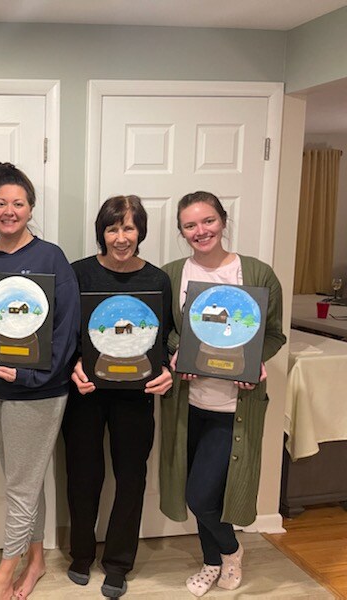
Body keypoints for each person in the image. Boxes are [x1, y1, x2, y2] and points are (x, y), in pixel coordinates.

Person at [0, 162, 80, 600]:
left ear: (31, 208)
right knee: (23, 478)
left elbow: (66, 330)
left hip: (38, 391)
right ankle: (37, 561)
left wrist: (29, 373)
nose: (9, 211)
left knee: (21, 486)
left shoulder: (51, 258)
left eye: (19, 203)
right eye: (1, 203)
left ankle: (4, 577)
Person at [161, 191, 286, 597]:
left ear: (223, 220)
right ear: (181, 231)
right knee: (201, 492)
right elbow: (164, 331)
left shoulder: (257, 274)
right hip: (188, 405)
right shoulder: (172, 274)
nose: (201, 231)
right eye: (190, 225)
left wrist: (255, 361)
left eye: (208, 221)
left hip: (235, 407)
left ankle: (230, 552)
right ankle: (211, 562)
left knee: (202, 496)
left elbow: (273, 334)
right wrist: (177, 350)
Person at [62, 195, 173, 598]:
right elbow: (64, 333)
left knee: (130, 477)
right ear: (102, 232)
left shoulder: (157, 280)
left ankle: (118, 562)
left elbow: (166, 338)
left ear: (140, 231)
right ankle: (80, 553)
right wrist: (73, 365)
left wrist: (168, 370)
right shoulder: (78, 273)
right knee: (82, 475)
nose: (121, 237)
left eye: (129, 227)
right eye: (113, 228)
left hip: (136, 395)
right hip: (86, 393)